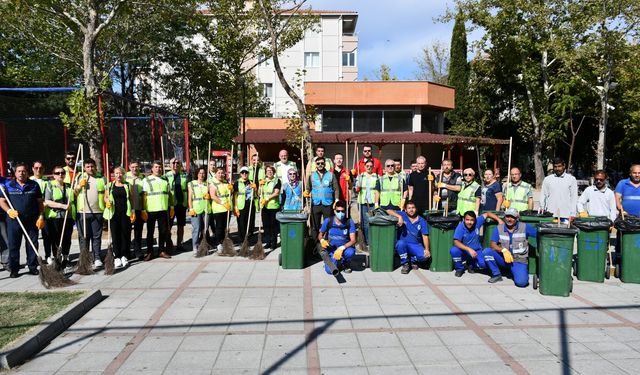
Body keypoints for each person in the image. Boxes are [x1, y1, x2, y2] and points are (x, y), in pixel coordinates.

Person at [0, 163, 45, 278]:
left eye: (23, 171)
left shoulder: (34, 185)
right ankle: (14, 269)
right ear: (15, 173)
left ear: (27, 172)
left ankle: (33, 267)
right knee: (14, 245)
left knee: (32, 243)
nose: (21, 173)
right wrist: (9, 211)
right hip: (14, 220)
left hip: (31, 220)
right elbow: (2, 201)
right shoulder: (9, 185)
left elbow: (40, 202)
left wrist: (41, 216)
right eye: (19, 171)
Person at [483, 208, 537, 286]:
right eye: (507, 216)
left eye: (512, 217)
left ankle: (515, 272)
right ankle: (496, 274)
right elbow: (492, 244)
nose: (509, 219)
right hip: (504, 259)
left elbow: (539, 235)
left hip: (519, 261)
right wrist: (503, 250)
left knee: (522, 283)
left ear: (517, 218)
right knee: (486, 252)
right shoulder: (499, 228)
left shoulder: (525, 227)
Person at [74, 158, 107, 269]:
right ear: (84, 168)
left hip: (97, 211)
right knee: (84, 237)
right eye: (88, 166)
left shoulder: (102, 178)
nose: (90, 168)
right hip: (83, 211)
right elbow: (73, 193)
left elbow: (107, 193)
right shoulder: (80, 177)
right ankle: (85, 259)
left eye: (92, 166)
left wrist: (107, 203)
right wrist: (79, 186)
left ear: (95, 166)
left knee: (96, 237)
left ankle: (97, 257)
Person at [450, 210, 502, 277]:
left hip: (477, 251)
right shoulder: (460, 227)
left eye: (472, 220)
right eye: (467, 220)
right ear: (464, 219)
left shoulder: (478, 222)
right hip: (465, 251)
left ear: (475, 220)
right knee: (454, 250)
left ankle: (472, 265)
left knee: (484, 264)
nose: (469, 222)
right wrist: (468, 249)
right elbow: (456, 242)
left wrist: (498, 219)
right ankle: (460, 269)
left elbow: (487, 214)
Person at [387, 200, 430, 274]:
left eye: (413, 208)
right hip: (403, 244)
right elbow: (388, 210)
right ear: (405, 210)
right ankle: (405, 264)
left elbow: (425, 236)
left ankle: (412, 260)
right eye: (409, 208)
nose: (411, 210)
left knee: (425, 256)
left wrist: (427, 249)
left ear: (416, 209)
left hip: (416, 245)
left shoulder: (422, 221)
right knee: (400, 243)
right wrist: (399, 216)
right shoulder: (403, 215)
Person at [44, 166, 75, 268]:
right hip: (55, 217)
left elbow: (74, 197)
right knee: (56, 239)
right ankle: (57, 258)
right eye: (57, 173)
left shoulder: (69, 186)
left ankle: (66, 258)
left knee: (67, 238)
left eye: (62, 173)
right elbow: (47, 201)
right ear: (54, 175)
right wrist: (62, 206)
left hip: (68, 216)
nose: (60, 175)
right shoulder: (50, 185)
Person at [142, 161, 172, 260]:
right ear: (152, 169)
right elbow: (144, 195)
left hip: (163, 209)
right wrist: (143, 209)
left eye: (160, 167)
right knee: (150, 232)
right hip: (151, 209)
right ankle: (150, 252)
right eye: (156, 167)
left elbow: (169, 194)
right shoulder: (146, 180)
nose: (158, 169)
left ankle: (161, 250)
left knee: (163, 231)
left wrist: (171, 207)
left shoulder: (165, 179)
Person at [103, 167, 133, 268]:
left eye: (120, 173)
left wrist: (132, 212)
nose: (118, 175)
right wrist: (107, 201)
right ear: (114, 174)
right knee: (115, 235)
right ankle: (117, 257)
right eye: (116, 173)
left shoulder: (127, 185)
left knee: (125, 234)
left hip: (125, 213)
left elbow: (131, 199)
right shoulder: (109, 186)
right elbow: (105, 197)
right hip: (114, 214)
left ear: (123, 174)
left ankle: (124, 255)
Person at [305, 156, 339, 238]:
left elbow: (336, 189)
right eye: (318, 163)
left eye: (322, 163)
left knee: (328, 224)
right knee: (315, 226)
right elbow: (308, 188)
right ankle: (315, 244)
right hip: (315, 204)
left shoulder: (331, 175)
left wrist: (337, 200)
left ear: (325, 164)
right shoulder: (311, 176)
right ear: (316, 165)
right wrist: (306, 192)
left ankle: (327, 241)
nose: (320, 165)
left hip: (328, 204)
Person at [318, 200, 356, 274]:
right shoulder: (328, 221)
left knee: (350, 252)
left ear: (345, 211)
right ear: (335, 211)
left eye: (342, 211)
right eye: (338, 211)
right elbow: (320, 235)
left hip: (344, 249)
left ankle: (345, 264)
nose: (340, 213)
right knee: (330, 271)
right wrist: (322, 240)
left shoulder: (349, 222)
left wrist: (342, 248)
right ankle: (335, 261)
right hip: (331, 249)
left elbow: (353, 240)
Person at [30, 161, 52, 264]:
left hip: (45, 212)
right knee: (32, 237)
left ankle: (48, 255)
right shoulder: (29, 180)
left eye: (41, 168)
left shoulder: (48, 181)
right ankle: (32, 258)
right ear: (32, 169)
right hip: (32, 213)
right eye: (36, 168)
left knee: (47, 235)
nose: (38, 170)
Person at [165, 158, 188, 250]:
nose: (175, 164)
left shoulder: (185, 175)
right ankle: (168, 243)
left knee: (181, 225)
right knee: (168, 225)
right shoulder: (166, 176)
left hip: (181, 204)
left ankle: (179, 244)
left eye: (177, 162)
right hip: (171, 205)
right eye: (173, 163)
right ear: (170, 165)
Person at [355, 160, 380, 244]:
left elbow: (378, 189)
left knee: (373, 221)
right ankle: (366, 241)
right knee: (364, 222)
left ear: (373, 167)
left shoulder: (376, 176)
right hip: (363, 202)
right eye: (367, 166)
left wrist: (377, 203)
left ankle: (373, 239)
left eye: (371, 166)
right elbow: (355, 189)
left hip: (373, 202)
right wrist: (356, 187)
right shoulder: (360, 176)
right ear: (364, 167)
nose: (369, 167)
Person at [188, 166, 210, 254]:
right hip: (196, 208)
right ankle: (195, 246)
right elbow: (190, 197)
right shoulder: (192, 184)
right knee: (196, 228)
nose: (201, 175)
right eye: (200, 173)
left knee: (205, 228)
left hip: (206, 208)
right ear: (197, 174)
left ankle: (203, 245)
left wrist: (208, 197)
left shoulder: (207, 184)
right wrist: (191, 208)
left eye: (203, 173)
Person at [209, 167, 232, 252]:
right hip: (218, 209)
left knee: (226, 227)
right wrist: (223, 203)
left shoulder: (226, 182)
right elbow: (213, 196)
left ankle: (225, 241)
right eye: (219, 173)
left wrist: (231, 188)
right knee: (219, 227)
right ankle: (219, 243)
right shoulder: (213, 184)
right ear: (215, 174)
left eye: (222, 173)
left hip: (228, 208)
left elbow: (229, 194)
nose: (221, 175)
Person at [126, 161, 145, 260]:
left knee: (138, 231)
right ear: (129, 167)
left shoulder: (143, 178)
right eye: (132, 167)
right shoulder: (125, 177)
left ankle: (138, 251)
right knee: (127, 231)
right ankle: (127, 252)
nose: (135, 169)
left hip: (139, 208)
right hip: (128, 210)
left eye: (136, 167)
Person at [260, 165, 281, 249]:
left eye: (271, 170)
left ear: (274, 172)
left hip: (273, 207)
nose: (269, 172)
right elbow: (259, 193)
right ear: (265, 172)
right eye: (268, 171)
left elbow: (276, 192)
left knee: (273, 226)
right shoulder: (263, 181)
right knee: (266, 225)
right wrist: (259, 186)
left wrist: (267, 198)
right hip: (264, 206)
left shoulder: (277, 181)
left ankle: (274, 243)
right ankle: (268, 242)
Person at [233, 166, 256, 242]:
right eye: (243, 172)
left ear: (248, 173)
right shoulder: (237, 183)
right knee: (241, 224)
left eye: (246, 172)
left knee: (250, 223)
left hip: (250, 206)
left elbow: (256, 195)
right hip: (241, 206)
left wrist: (256, 189)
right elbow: (235, 196)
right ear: (240, 174)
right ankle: (242, 240)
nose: (244, 174)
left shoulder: (251, 182)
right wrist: (235, 207)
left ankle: (249, 238)